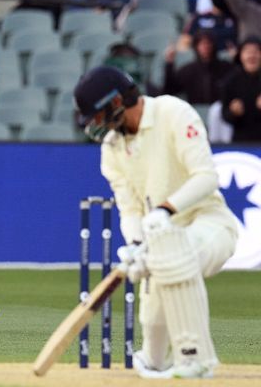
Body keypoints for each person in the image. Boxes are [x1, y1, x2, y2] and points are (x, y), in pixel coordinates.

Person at [73, 66, 237, 379]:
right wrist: (135, 245)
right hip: (159, 240)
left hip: (211, 223)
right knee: (163, 268)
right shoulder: (112, 149)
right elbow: (130, 208)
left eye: (96, 115)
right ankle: (154, 359)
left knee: (176, 254)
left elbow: (207, 177)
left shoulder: (172, 112)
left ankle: (196, 359)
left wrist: (165, 210)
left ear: (116, 101)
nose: (95, 124)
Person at [161, 31, 236, 105]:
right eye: (201, 43)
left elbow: (238, 85)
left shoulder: (226, 67)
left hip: (219, 112)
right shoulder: (187, 70)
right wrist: (169, 64)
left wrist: (237, 60)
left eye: (208, 43)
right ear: (196, 47)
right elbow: (171, 89)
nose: (206, 46)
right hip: (195, 112)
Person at [220, 36, 261, 142]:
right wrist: (233, 112)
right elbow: (224, 115)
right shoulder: (230, 81)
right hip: (241, 142)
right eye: (247, 52)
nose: (252, 56)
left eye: (256, 51)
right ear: (240, 55)